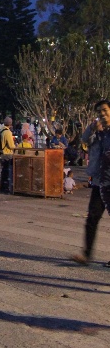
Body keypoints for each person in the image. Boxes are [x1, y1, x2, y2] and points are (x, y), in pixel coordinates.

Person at [71, 100, 110, 267]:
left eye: (105, 110)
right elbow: (84, 140)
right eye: (99, 111)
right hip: (99, 182)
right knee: (92, 217)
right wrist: (92, 127)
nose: (102, 114)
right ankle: (86, 255)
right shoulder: (98, 133)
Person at [0, 118, 16, 194]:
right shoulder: (8, 132)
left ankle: (2, 187)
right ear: (10, 124)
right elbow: (11, 145)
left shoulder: (1, 130)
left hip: (2, 152)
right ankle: (7, 188)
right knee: (8, 171)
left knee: (4, 171)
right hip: (7, 153)